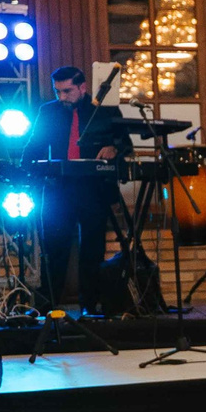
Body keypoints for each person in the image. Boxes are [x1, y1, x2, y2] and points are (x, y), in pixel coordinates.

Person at [31, 65, 132, 307]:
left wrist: (114, 148)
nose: (62, 97)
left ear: (83, 87)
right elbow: (34, 145)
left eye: (67, 91)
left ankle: (91, 305)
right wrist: (26, 171)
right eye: (58, 92)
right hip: (59, 190)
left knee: (93, 250)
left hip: (93, 190)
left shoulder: (105, 110)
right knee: (54, 250)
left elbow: (126, 144)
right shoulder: (48, 111)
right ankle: (47, 309)